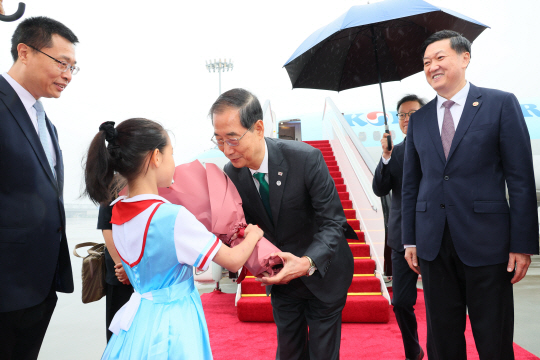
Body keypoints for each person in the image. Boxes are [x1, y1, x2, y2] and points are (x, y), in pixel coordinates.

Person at [401, 30, 539, 360]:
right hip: (433, 245)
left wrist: (522, 244)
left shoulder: (499, 104)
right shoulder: (418, 120)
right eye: (426, 62)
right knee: (443, 341)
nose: (432, 66)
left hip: (488, 244)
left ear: (465, 58)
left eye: (439, 57)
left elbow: (520, 179)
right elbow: (410, 186)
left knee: (494, 338)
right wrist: (410, 240)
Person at [84, 119, 264, 359]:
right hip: (174, 321)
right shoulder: (171, 216)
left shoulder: (118, 211)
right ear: (156, 157)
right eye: (171, 154)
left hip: (138, 318)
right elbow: (232, 261)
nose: (174, 164)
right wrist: (254, 234)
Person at [210, 88, 354, 360]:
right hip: (282, 280)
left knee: (323, 355)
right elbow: (246, 229)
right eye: (218, 140)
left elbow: (333, 221)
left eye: (233, 138)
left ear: (259, 127)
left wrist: (307, 262)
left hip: (323, 272)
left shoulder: (304, 158)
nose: (227, 150)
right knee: (288, 353)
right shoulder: (232, 173)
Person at [0, 17, 79, 359]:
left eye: (74, 67)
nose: (68, 75)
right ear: (25, 52)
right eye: (62, 63)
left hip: (40, 286)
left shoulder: (45, 121)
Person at [372, 94, 426, 360]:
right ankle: (412, 351)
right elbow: (380, 188)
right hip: (402, 238)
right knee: (401, 302)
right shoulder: (397, 151)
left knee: (442, 303)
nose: (406, 119)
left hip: (434, 236)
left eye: (413, 113)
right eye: (402, 115)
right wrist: (385, 156)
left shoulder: (438, 147)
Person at [96, 176, 134, 342]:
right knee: (117, 332)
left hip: (145, 274)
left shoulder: (152, 182)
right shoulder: (113, 185)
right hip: (120, 273)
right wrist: (122, 266)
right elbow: (106, 228)